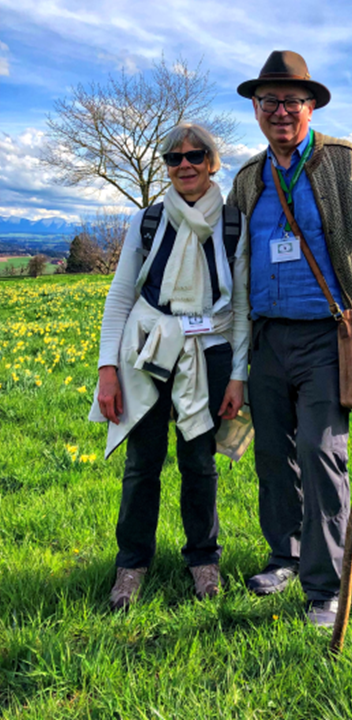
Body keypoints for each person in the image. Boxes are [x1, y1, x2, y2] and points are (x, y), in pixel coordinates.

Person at [228, 50, 352, 627]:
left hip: (326, 338)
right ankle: (282, 555)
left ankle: (323, 587)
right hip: (265, 339)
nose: (280, 111)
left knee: (321, 452)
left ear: (310, 107)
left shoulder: (340, 160)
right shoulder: (247, 178)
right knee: (271, 455)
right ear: (256, 110)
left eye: (292, 101)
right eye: (269, 102)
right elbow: (232, 256)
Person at [89, 122, 250, 609]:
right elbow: (121, 296)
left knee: (200, 464)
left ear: (212, 162)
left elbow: (240, 306)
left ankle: (204, 559)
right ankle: (131, 565)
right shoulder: (149, 220)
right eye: (173, 158)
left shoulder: (232, 223)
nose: (184, 165)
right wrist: (106, 369)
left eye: (195, 156)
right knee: (142, 464)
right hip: (147, 350)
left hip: (210, 350)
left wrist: (239, 375)